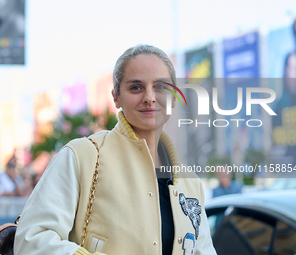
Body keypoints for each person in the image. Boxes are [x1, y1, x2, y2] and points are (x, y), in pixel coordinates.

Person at [15, 45, 216, 255]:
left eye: (160, 87)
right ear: (116, 97)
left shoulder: (189, 181)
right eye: (136, 87)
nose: (150, 97)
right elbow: (32, 239)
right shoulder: (83, 156)